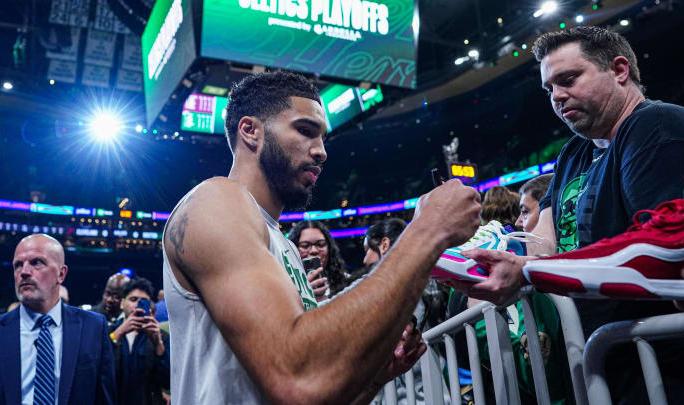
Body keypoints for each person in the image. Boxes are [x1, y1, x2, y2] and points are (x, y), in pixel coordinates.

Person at [162, 71, 482, 404]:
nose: (321, 151)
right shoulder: (214, 201)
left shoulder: (281, 242)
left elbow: (309, 392)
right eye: (305, 130)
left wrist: (373, 380)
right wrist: (427, 230)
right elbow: (296, 377)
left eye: (324, 138)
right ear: (250, 131)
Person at [453, 26, 684, 403]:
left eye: (568, 80)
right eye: (549, 89)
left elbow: (658, 252)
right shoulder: (573, 153)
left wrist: (528, 272)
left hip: (658, 358)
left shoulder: (655, 126)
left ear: (620, 70)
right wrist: (490, 259)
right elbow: (545, 242)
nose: (557, 96)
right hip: (601, 353)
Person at [0, 233, 116, 405]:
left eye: (36, 262)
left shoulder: (94, 328)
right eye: (18, 265)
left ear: (61, 274)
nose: (24, 272)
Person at [111, 277, 169, 405]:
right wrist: (119, 333)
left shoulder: (161, 336)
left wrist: (158, 345)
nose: (138, 304)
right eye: (133, 299)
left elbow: (168, 382)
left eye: (144, 301)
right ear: (122, 303)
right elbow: (97, 370)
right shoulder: (108, 333)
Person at [288, 220, 348, 300]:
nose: (314, 250)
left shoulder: (348, 281)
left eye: (321, 244)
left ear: (329, 248)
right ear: (293, 249)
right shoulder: (284, 286)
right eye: (305, 246)